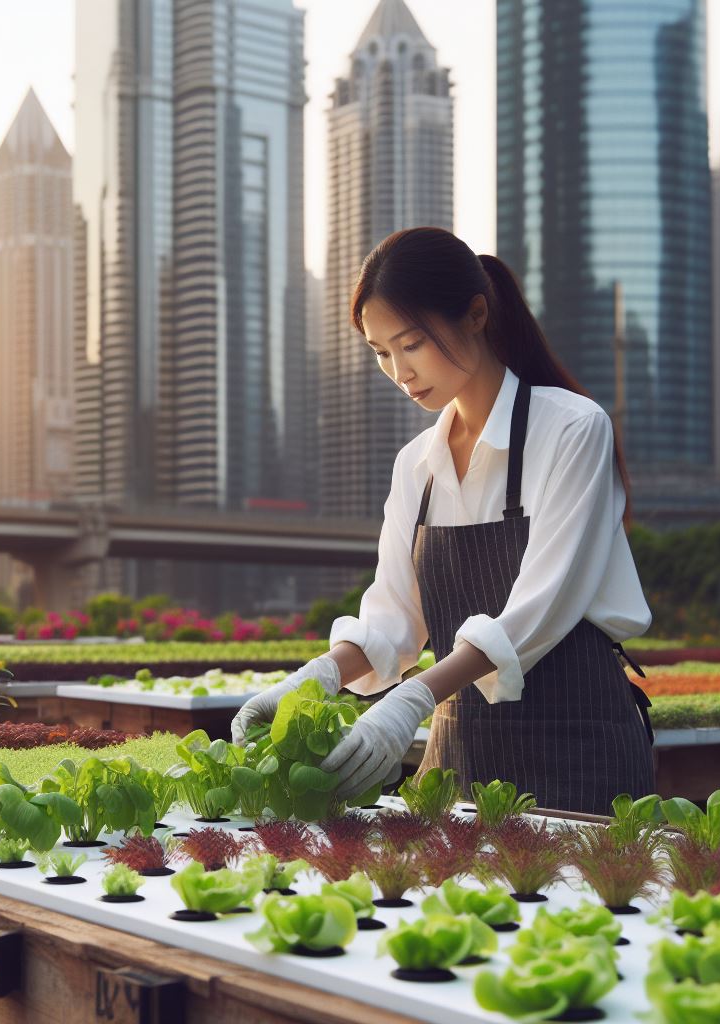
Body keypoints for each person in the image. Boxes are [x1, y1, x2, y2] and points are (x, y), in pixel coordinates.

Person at [231, 227, 655, 816]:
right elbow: (394, 621)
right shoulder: (417, 466)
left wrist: (407, 703)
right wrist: (311, 681)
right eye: (381, 352)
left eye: (411, 344)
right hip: (460, 756)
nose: (399, 372)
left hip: (579, 747)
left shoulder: (572, 429)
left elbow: (540, 605)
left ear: (475, 314)